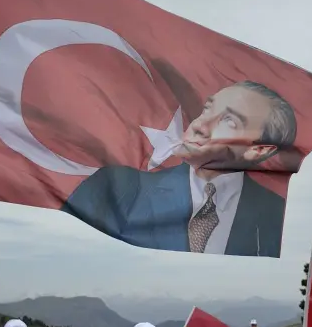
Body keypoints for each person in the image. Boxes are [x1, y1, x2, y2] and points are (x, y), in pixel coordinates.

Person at [63, 81, 297, 256]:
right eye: (207, 109)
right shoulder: (114, 188)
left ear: (258, 151)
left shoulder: (272, 215)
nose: (199, 125)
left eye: (229, 122)